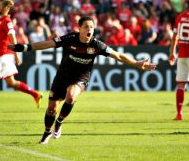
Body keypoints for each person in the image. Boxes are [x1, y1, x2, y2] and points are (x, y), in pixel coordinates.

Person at [9, 16, 157, 144]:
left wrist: (136, 63)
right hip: (62, 77)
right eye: (86, 27)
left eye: (92, 27)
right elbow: (48, 44)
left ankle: (59, 122)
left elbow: (118, 55)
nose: (90, 29)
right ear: (79, 28)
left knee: (71, 95)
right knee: (51, 108)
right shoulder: (69, 39)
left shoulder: (96, 45)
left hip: (80, 78)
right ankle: (47, 132)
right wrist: (25, 47)